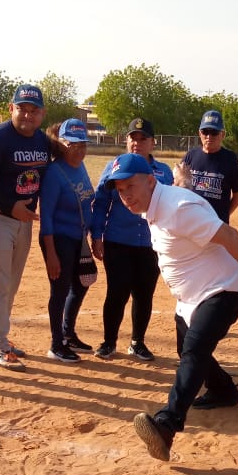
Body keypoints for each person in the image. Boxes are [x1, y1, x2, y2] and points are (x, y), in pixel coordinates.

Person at [103, 153, 238, 462]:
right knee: (186, 348)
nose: (126, 196)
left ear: (150, 181)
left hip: (223, 288)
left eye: (130, 186)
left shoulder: (177, 208)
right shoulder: (157, 205)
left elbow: (230, 235)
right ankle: (224, 391)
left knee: (195, 350)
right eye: (120, 190)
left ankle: (167, 424)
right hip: (192, 296)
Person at [0, 84, 49, 370]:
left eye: (34, 110)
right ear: (11, 108)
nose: (28, 115)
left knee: (11, 284)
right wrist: (8, 205)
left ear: (42, 114)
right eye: (22, 109)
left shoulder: (42, 140)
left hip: (22, 220)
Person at [90, 117, 173, 361]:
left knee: (144, 294)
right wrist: (96, 235)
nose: (137, 143)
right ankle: (109, 342)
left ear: (153, 142)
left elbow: (169, 204)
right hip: (118, 240)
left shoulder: (163, 172)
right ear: (126, 141)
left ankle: (138, 342)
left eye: (142, 138)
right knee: (117, 292)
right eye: (132, 138)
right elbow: (100, 203)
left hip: (150, 244)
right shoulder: (114, 168)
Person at [38, 119, 95, 363]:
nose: (79, 150)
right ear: (61, 143)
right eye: (73, 144)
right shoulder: (54, 173)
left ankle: (68, 334)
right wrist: (51, 253)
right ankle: (56, 344)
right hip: (58, 238)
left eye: (83, 144)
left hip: (78, 238)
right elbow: (46, 216)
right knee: (60, 290)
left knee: (81, 284)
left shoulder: (80, 167)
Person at [182, 110, 238, 223]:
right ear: (199, 133)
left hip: (216, 225)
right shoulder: (190, 156)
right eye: (205, 132)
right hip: (191, 223)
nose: (209, 136)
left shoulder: (230, 159)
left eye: (214, 132)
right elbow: (179, 188)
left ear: (223, 134)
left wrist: (223, 216)